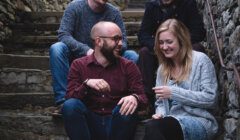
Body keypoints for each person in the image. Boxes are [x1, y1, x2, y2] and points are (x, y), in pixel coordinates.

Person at [62, 21, 148, 140]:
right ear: (99, 41)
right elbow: (69, 98)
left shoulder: (129, 66)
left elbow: (143, 98)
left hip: (117, 122)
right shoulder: (79, 65)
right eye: (116, 39)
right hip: (91, 121)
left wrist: (135, 97)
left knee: (127, 108)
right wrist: (86, 84)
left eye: (121, 39)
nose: (121, 44)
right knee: (70, 105)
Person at [49, 0, 139, 109]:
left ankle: (125, 100)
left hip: (107, 57)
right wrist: (87, 51)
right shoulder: (75, 7)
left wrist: (104, 50)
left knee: (131, 55)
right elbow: (64, 35)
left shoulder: (114, 12)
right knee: (57, 48)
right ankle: (63, 101)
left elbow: (123, 42)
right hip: (79, 58)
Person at [143, 19, 218, 140]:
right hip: (169, 122)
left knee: (154, 128)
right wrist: (160, 113)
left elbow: (211, 99)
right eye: (161, 42)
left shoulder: (201, 60)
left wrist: (173, 93)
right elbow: (160, 102)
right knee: (154, 127)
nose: (164, 47)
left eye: (169, 42)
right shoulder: (163, 68)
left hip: (199, 121)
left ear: (181, 40)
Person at [137, 0, 206, 109]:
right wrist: (157, 45)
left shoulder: (187, 4)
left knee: (197, 48)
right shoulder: (152, 6)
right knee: (144, 53)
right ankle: (146, 100)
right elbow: (143, 34)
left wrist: (180, 43)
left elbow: (199, 31)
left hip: (183, 47)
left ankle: (195, 93)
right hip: (160, 48)